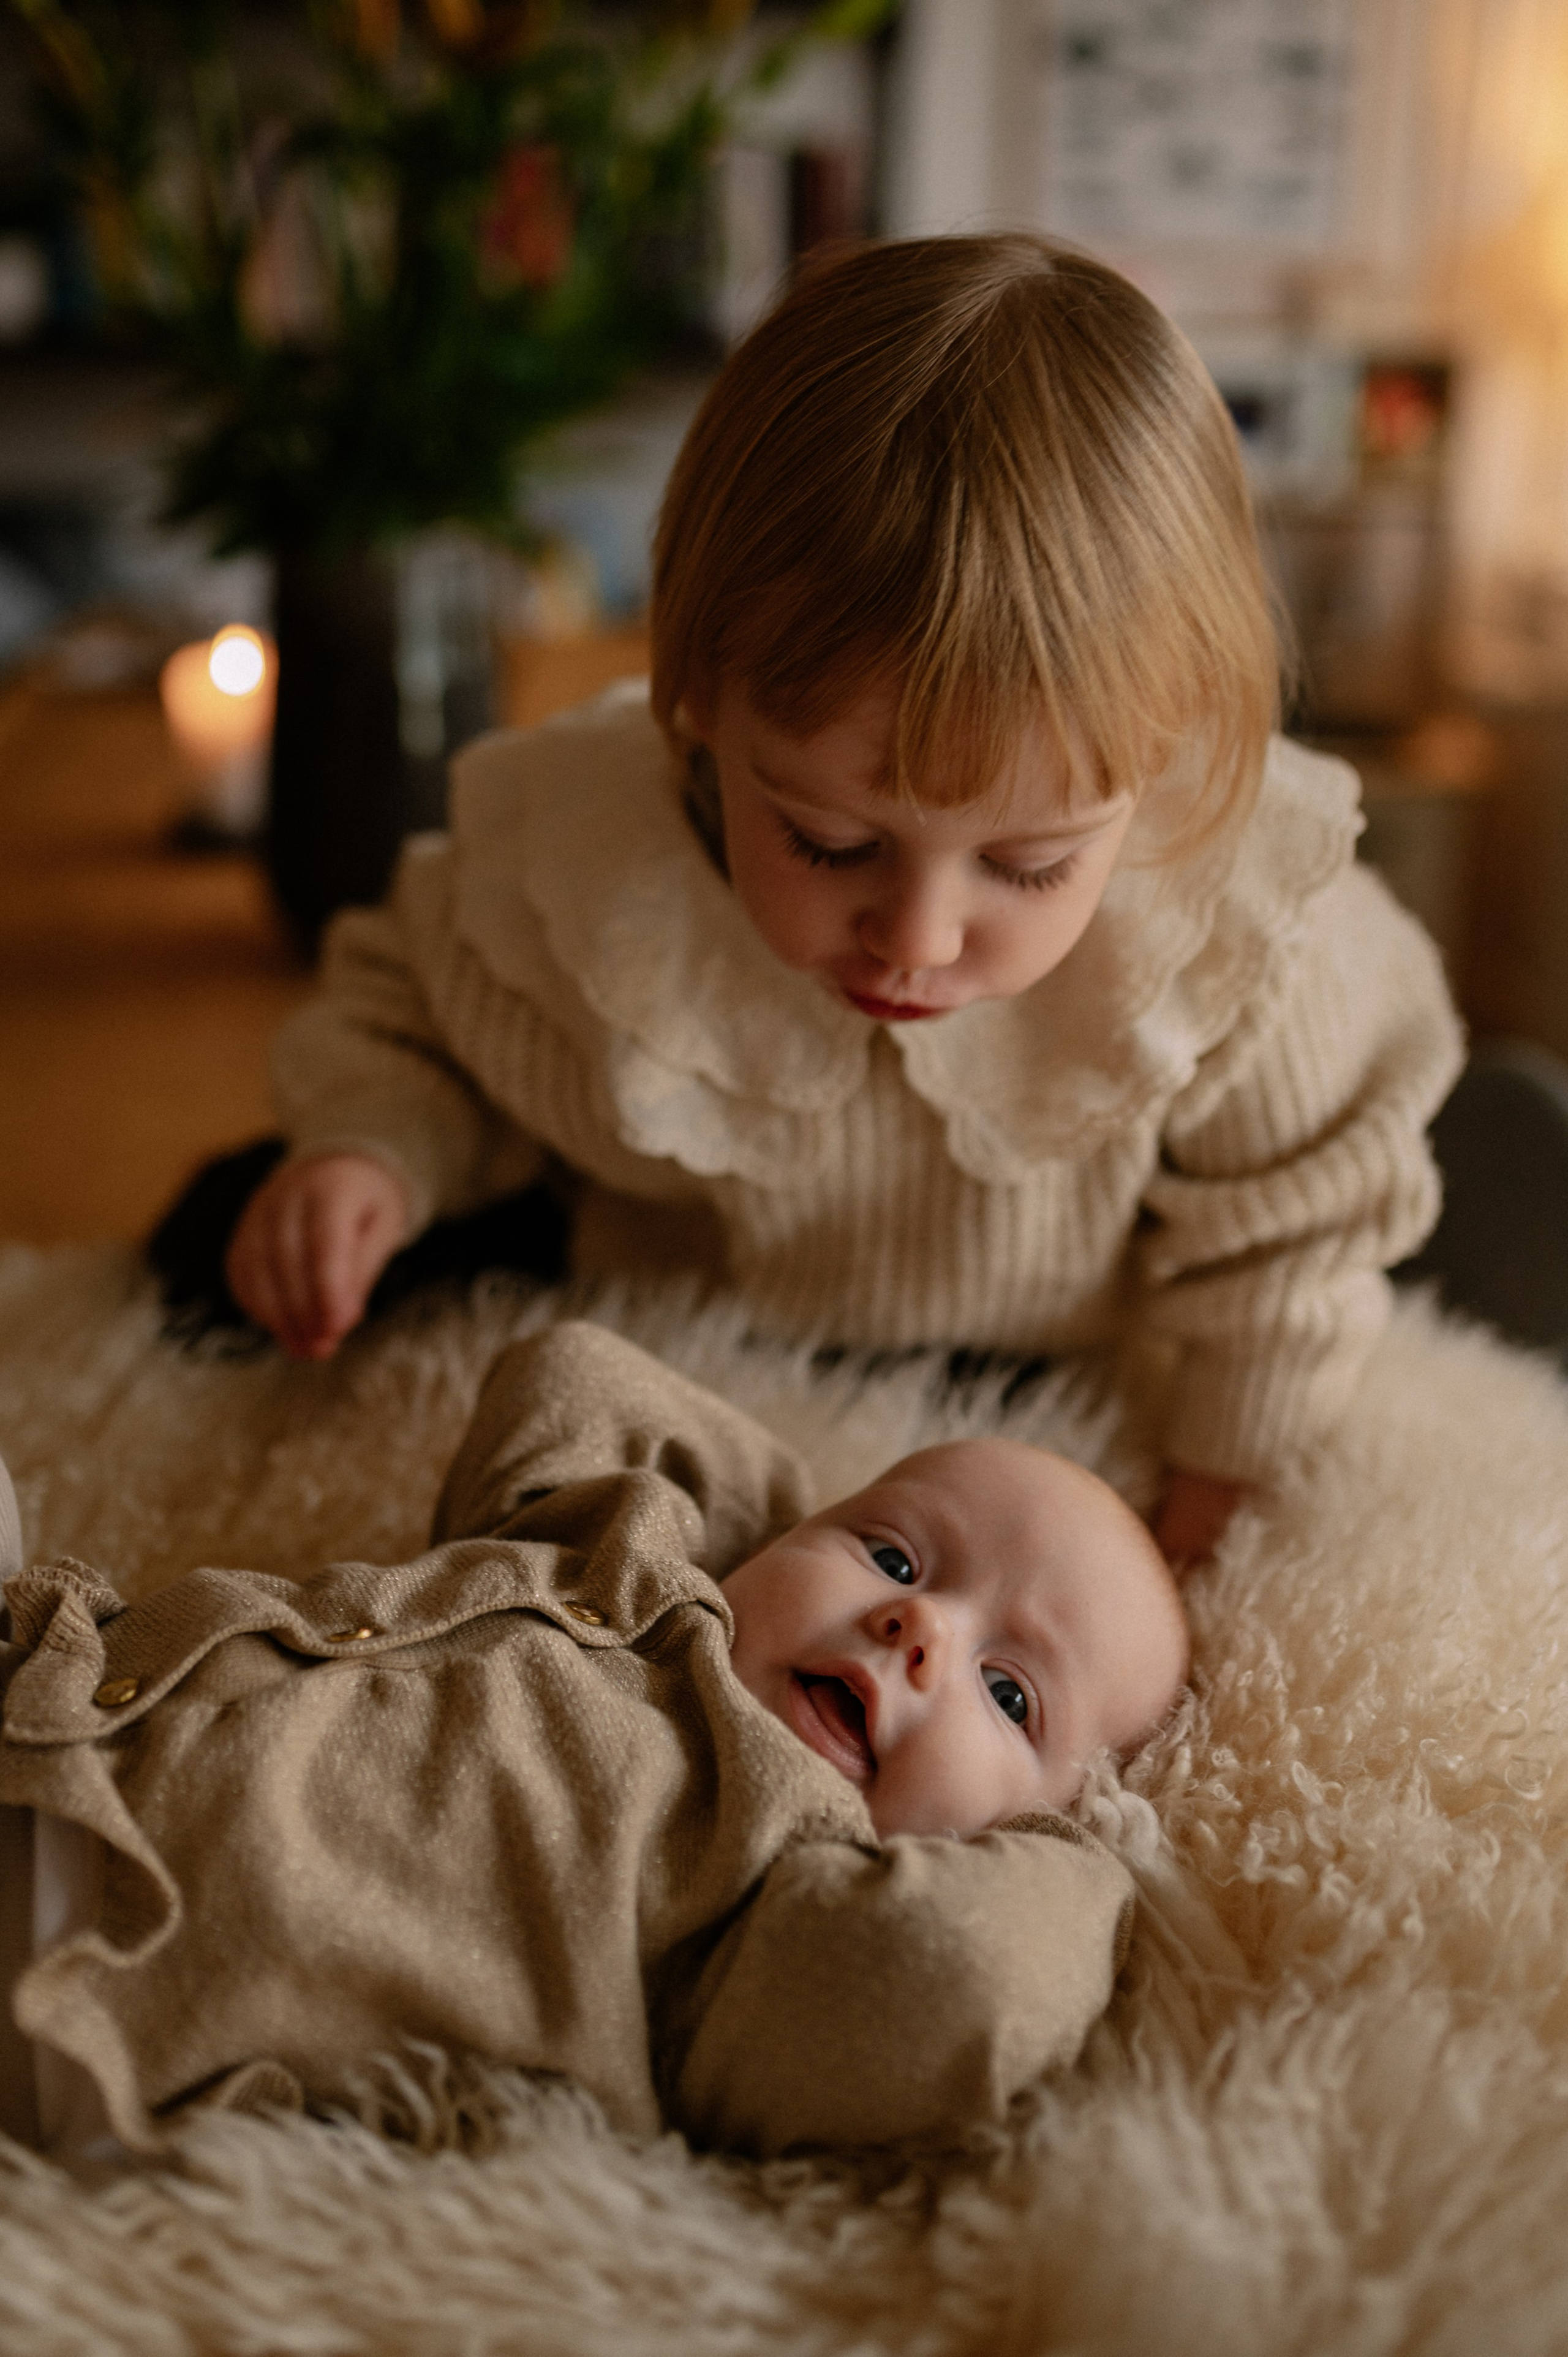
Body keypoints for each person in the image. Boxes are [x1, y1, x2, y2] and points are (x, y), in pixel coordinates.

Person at [208, 235, 1462, 1565]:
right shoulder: (587, 871)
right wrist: (369, 1149)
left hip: (1063, 1384)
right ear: (696, 703)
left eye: (1028, 865)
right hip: (690, 1360)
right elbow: (411, 1004)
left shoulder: (1233, 931)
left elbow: (1298, 1227)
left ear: (1162, 751)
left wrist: (1210, 1506)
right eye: (824, 840)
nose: (915, 938)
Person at [0, 1321, 1185, 2161]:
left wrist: (1088, 1868)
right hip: (53, 1678)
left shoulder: (783, 1898)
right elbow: (572, 1372)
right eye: (891, 1555)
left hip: (103, 1978)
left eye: (1010, 1693)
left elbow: (960, 1980)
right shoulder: (631, 1568)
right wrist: (752, 1546)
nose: (918, 1626)